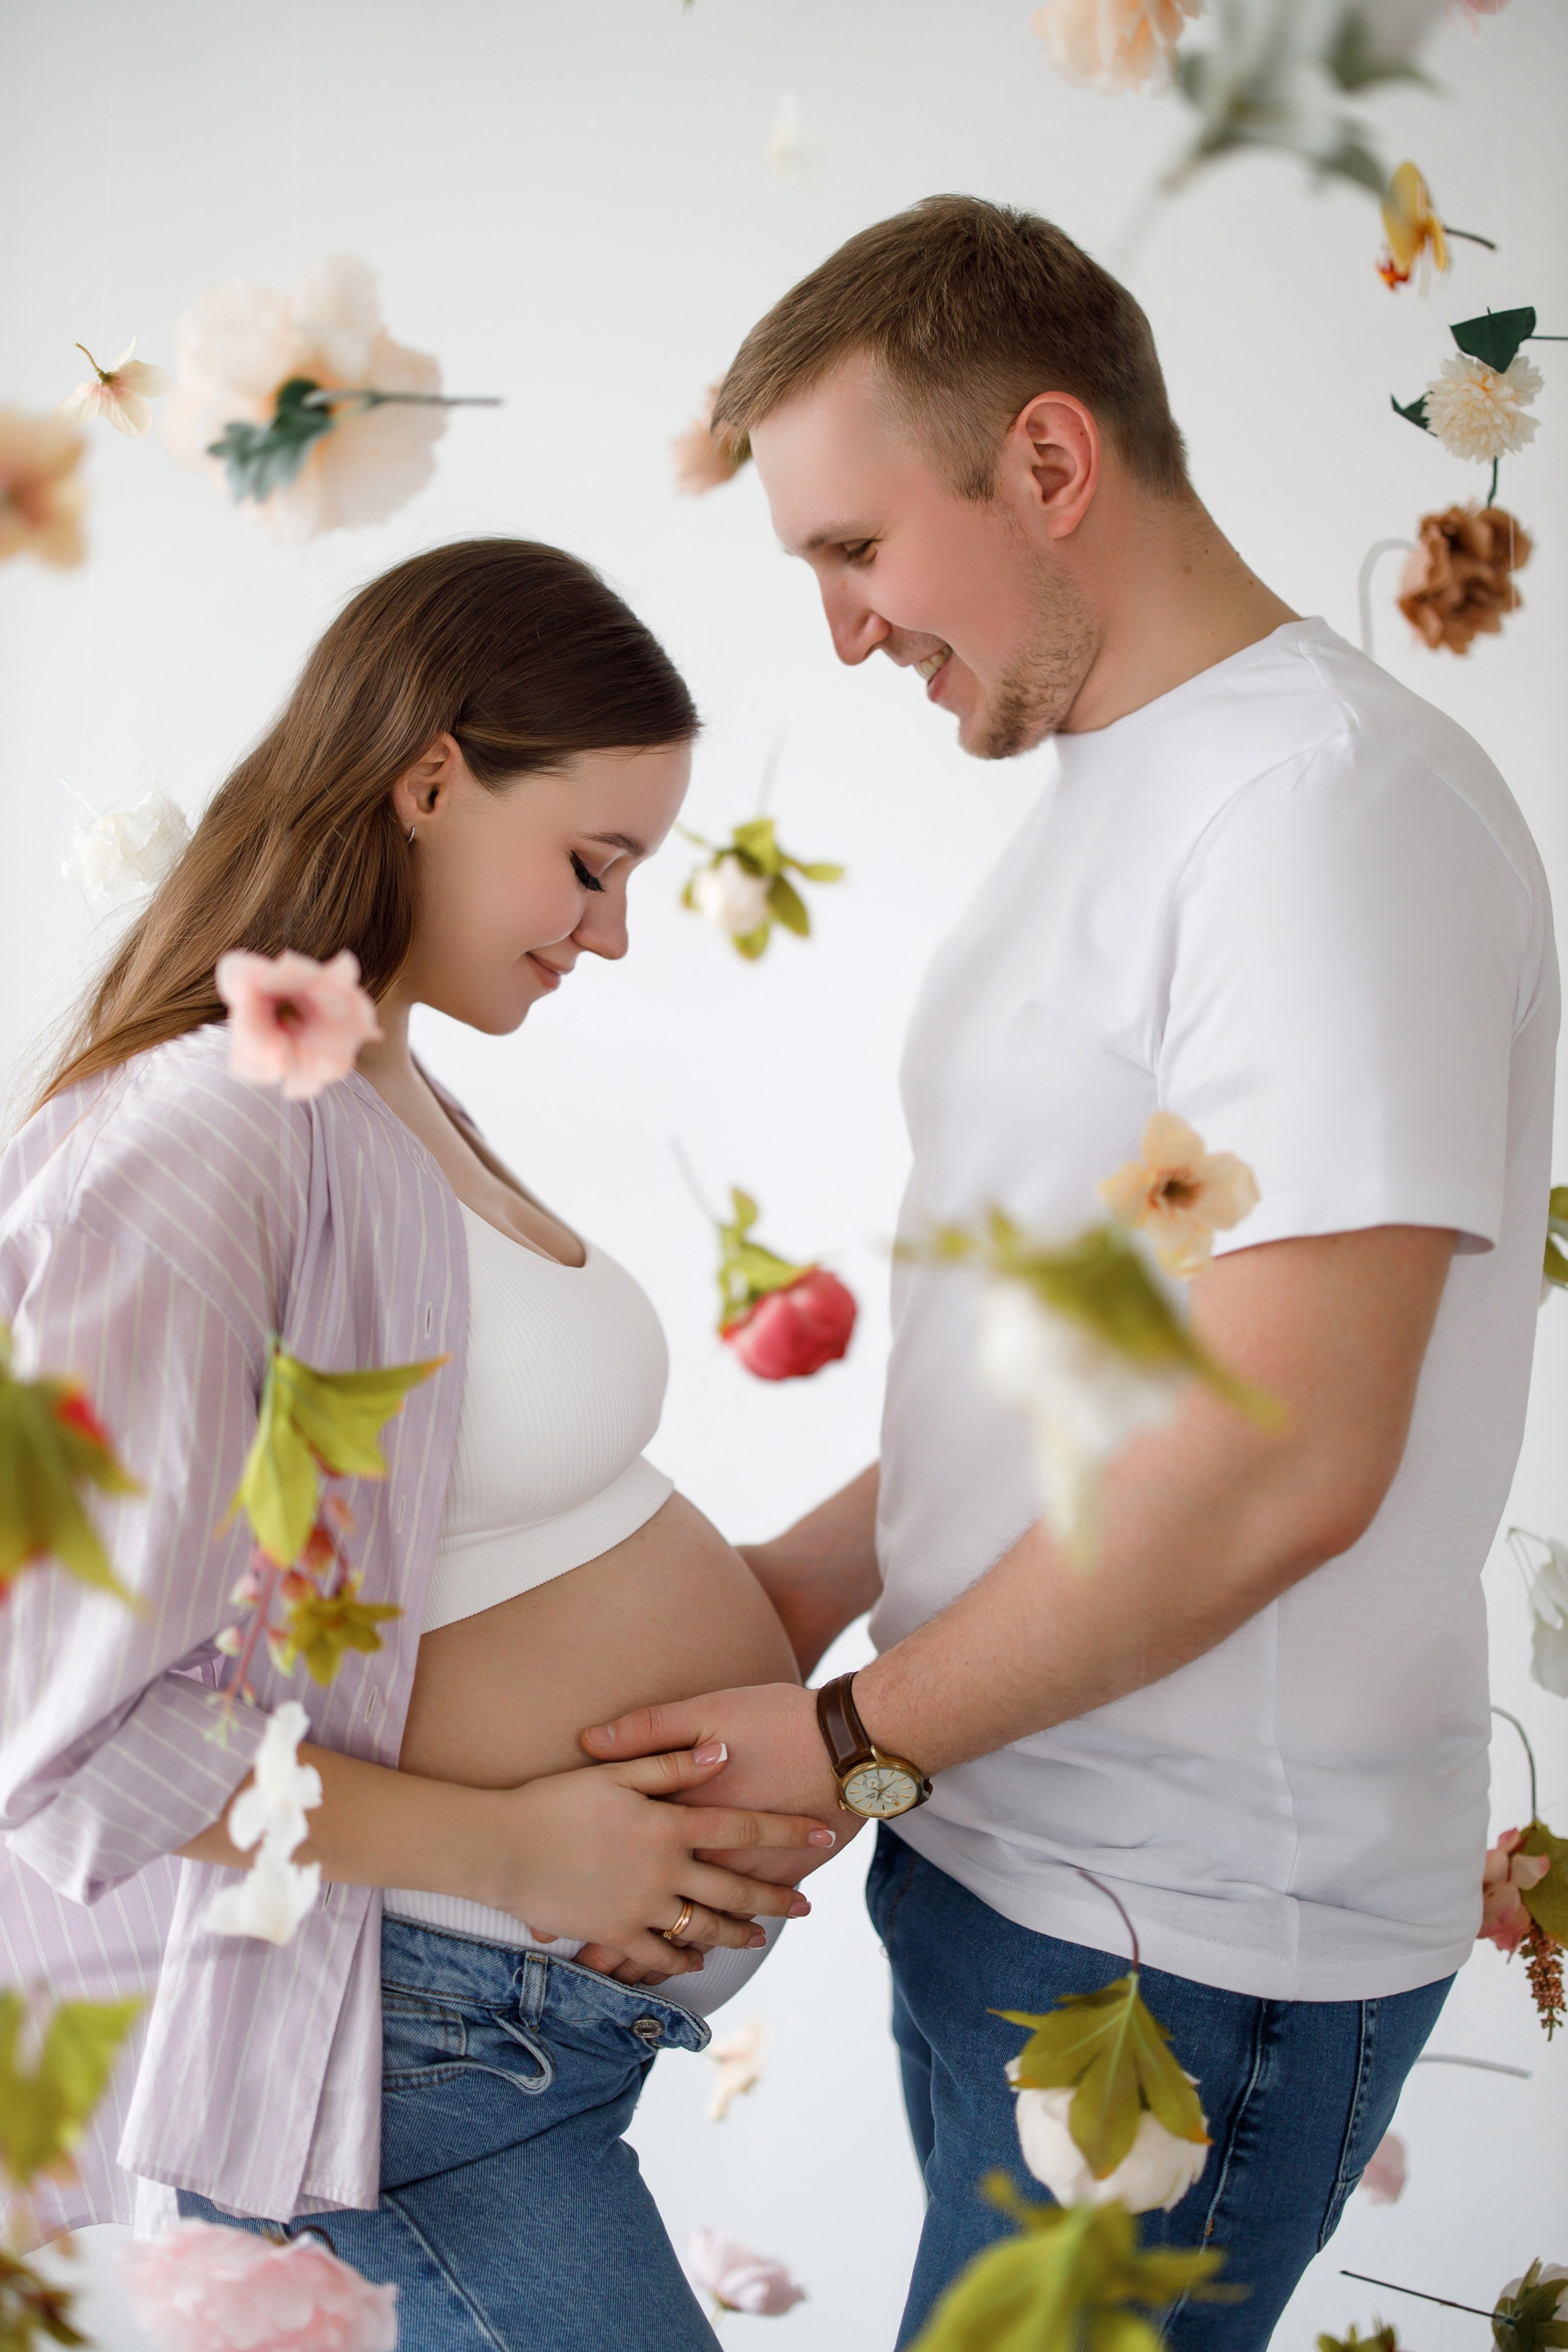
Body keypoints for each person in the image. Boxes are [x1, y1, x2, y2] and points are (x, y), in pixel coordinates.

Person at [579, 197, 1559, 2344]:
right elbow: (1059, 1375)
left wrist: (843, 1744)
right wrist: (794, 1590)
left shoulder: (1323, 814)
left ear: (1046, 464)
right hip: (1009, 1859)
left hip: (1183, 1947)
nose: (843, 634)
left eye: (854, 552)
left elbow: (1279, 1453)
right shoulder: (1136, 791)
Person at [0, 539, 839, 2351]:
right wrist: (524, 1854)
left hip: (505, 2045)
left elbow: (479, 1568)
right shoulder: (197, 1139)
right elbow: (70, 1744)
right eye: (594, 862)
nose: (611, 928)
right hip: (405, 2053)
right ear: (435, 777)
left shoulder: (380, 1085)